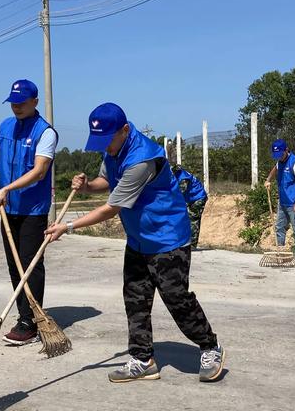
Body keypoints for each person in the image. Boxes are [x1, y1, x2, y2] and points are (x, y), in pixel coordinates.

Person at [45, 103, 224, 383]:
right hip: (139, 239)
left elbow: (111, 207)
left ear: (125, 130)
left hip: (167, 239)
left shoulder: (141, 160)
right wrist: (88, 186)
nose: (106, 147)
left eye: (108, 140)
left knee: (176, 299)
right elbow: (107, 180)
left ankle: (210, 346)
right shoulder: (114, 148)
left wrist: (67, 226)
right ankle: (143, 359)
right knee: (135, 299)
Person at [0, 79, 58, 345]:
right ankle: (24, 314)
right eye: (13, 102)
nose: (17, 107)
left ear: (34, 101)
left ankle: (30, 321)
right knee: (14, 264)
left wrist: (8, 187)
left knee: (30, 263)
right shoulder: (5, 126)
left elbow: (40, 170)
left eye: (22, 102)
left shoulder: (46, 132)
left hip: (33, 209)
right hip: (7, 208)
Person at [264, 139, 295, 265]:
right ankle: (281, 252)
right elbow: (275, 169)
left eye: (280, 155)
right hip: (283, 201)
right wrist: (268, 180)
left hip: (294, 201)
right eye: (276, 156)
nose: (279, 158)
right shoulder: (279, 162)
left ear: (286, 150)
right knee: (279, 226)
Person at [172, 165, 208, 249]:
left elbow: (180, 193)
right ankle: (186, 242)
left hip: (198, 198)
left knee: (193, 219)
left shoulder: (183, 178)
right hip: (192, 199)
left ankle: (192, 244)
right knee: (186, 218)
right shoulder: (180, 175)